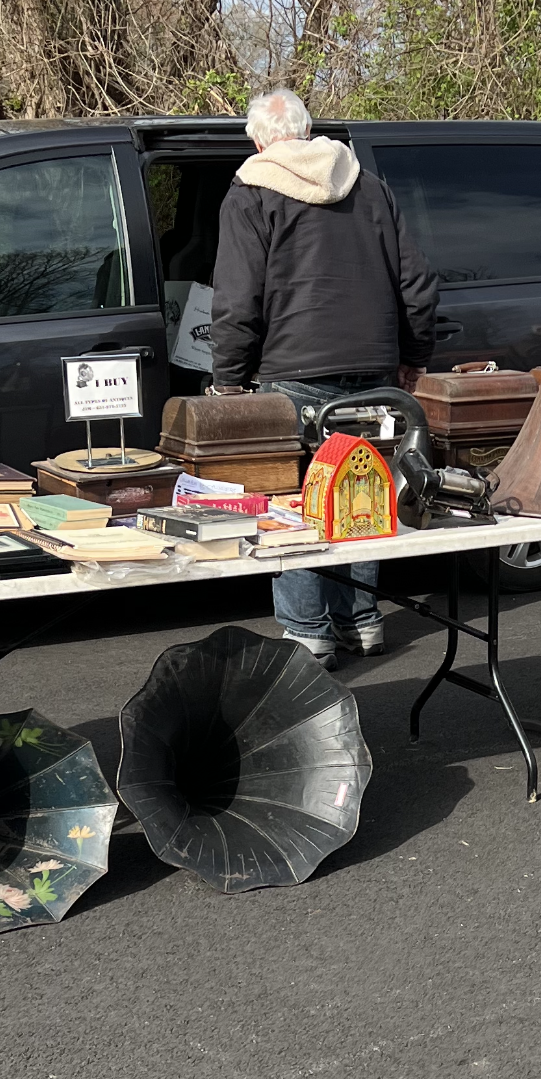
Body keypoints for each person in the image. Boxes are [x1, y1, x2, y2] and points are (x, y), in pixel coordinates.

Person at [210, 88, 438, 666]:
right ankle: (361, 621)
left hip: (293, 373)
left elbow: (237, 299)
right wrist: (413, 356)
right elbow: (417, 285)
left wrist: (228, 382)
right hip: (374, 371)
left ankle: (308, 632)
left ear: (258, 142)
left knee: (296, 506)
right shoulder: (368, 185)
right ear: (307, 131)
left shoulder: (251, 190)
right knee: (361, 493)